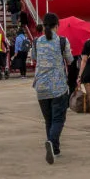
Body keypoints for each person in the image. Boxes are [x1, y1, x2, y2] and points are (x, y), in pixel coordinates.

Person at [31, 12, 74, 164]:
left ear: (43, 26)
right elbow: (69, 60)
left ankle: (54, 149)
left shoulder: (36, 41)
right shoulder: (62, 41)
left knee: (48, 119)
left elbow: (34, 58)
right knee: (58, 119)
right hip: (58, 87)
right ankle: (51, 141)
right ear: (57, 26)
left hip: (41, 87)